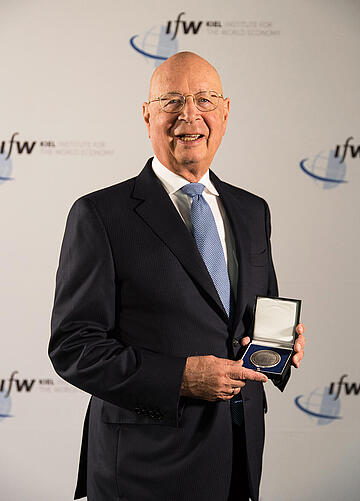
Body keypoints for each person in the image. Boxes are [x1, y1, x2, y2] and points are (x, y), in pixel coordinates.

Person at [49, 51, 306, 501]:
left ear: (225, 112)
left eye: (205, 99)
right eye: (172, 100)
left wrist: (278, 345)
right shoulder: (100, 215)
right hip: (143, 470)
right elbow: (75, 348)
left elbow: (253, 317)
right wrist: (181, 377)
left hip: (238, 457)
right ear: (147, 115)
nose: (190, 114)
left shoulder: (251, 211)